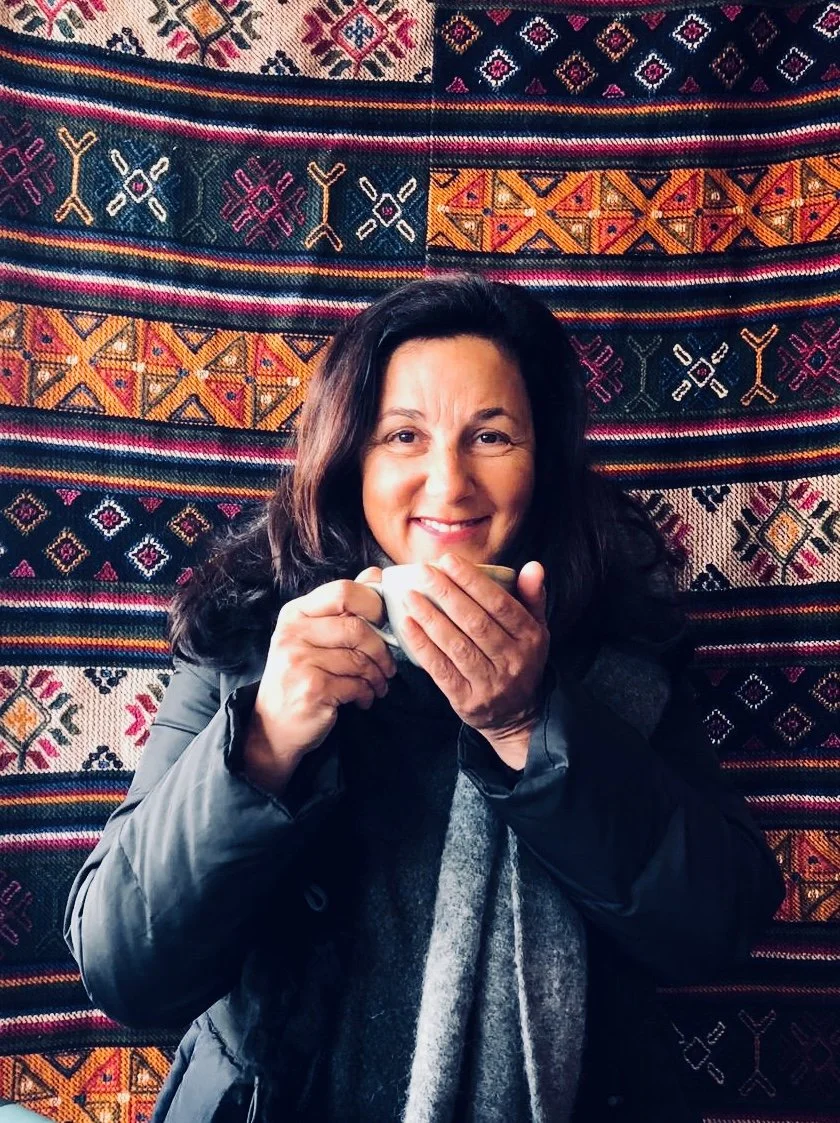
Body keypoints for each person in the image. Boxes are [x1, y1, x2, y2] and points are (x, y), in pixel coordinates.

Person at [65, 275, 784, 1123]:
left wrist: (533, 726)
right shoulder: (252, 640)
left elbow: (716, 926)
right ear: (351, 458)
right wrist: (262, 743)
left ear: (543, 461)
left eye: (491, 435)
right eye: (404, 435)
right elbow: (124, 968)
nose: (449, 486)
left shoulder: (622, 652)